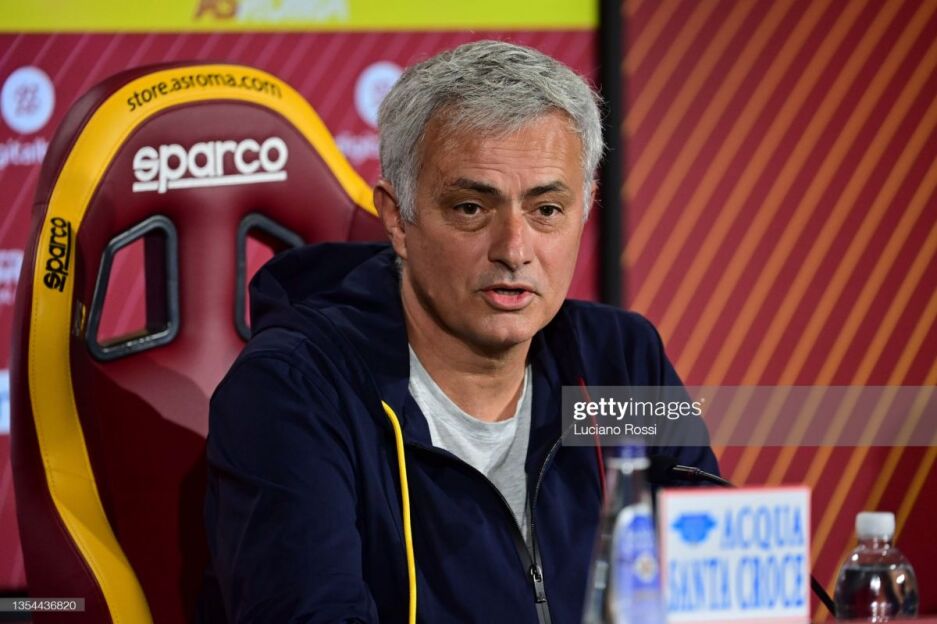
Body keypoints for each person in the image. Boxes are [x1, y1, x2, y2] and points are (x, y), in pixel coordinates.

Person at [202, 40, 718, 623]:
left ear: (584, 209)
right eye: (472, 208)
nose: (514, 250)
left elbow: (713, 586)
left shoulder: (621, 364)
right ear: (397, 219)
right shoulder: (295, 391)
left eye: (547, 210)